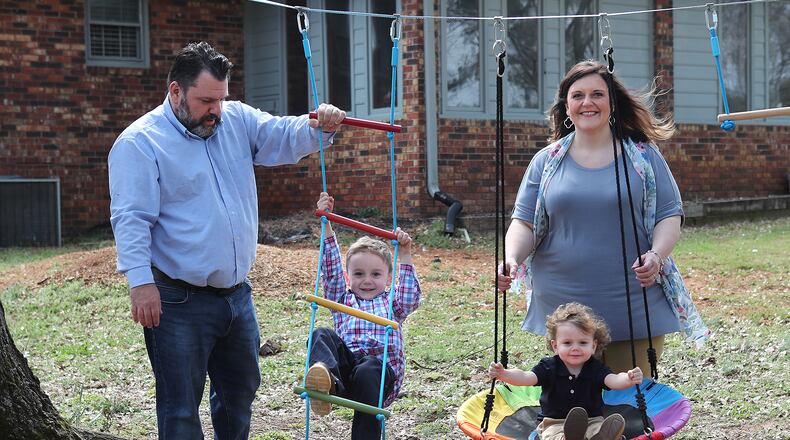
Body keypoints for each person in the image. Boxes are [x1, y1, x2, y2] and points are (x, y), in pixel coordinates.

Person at [108, 41, 346, 440]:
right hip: (176, 299)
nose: (215, 110)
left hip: (236, 296)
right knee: (181, 407)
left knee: (239, 396)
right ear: (176, 92)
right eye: (205, 100)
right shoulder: (140, 143)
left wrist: (318, 124)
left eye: (221, 98)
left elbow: (281, 134)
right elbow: (131, 219)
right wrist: (139, 282)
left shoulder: (233, 120)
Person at [498, 60, 709, 375]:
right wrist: (512, 258)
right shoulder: (547, 161)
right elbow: (524, 222)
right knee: (571, 404)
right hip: (564, 312)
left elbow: (669, 214)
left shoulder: (643, 157)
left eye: (597, 94)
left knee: (628, 405)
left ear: (612, 103)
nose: (587, 102)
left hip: (631, 302)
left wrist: (656, 255)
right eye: (577, 95)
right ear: (566, 106)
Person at [304, 192, 421, 439]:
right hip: (346, 375)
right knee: (322, 334)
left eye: (375, 275)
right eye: (358, 274)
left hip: (378, 379)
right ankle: (326, 382)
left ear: (388, 278)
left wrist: (405, 254)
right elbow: (332, 270)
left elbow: (411, 297)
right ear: (349, 277)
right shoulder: (343, 299)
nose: (367, 280)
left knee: (369, 367)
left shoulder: (393, 303)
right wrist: (327, 224)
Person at [488, 303, 643, 440]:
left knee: (596, 429)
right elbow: (526, 377)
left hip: (592, 420)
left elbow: (614, 380)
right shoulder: (548, 367)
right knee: (553, 436)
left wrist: (628, 378)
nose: (575, 348)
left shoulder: (595, 368)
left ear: (593, 346)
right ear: (555, 346)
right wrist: (504, 374)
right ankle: (568, 437)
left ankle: (600, 437)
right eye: (567, 343)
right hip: (554, 422)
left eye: (583, 343)